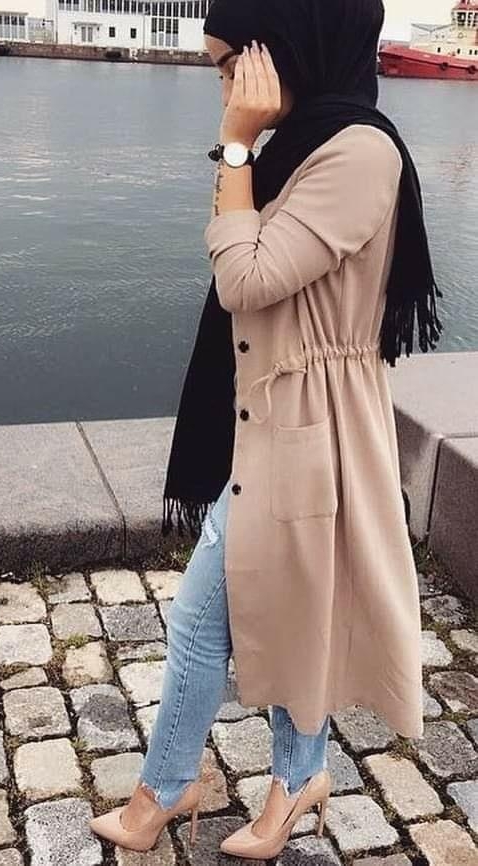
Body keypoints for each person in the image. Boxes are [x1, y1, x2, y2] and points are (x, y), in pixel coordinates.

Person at [90, 0, 443, 858]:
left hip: (309, 427)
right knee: (294, 607)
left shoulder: (358, 152)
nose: (225, 87)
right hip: (270, 416)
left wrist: (235, 145)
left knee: (202, 620)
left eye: (230, 65)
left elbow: (243, 280)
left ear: (284, 48)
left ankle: (166, 792)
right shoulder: (307, 143)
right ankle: (293, 777)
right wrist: (245, 150)